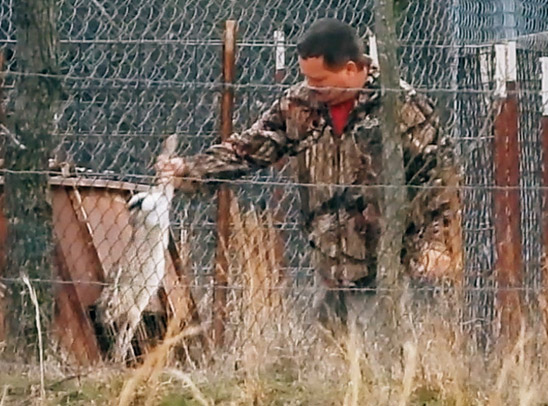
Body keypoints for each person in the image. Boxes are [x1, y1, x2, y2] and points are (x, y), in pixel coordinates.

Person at [157, 18, 462, 326]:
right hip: (330, 263)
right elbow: (250, 148)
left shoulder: (399, 105)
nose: (312, 88)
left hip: (391, 263)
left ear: (353, 69)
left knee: (385, 355)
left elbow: (439, 176)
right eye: (308, 79)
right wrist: (190, 169)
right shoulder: (300, 104)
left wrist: (438, 244)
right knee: (332, 354)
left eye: (320, 80)